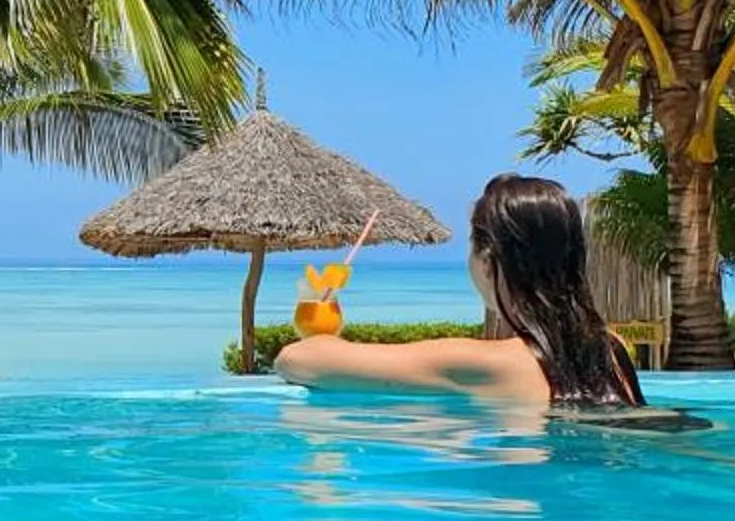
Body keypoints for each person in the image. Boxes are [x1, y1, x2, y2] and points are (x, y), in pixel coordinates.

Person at [274, 174, 665, 418]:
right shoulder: (611, 350)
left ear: (487, 259)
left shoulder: (487, 363)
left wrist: (319, 323)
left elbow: (296, 360)